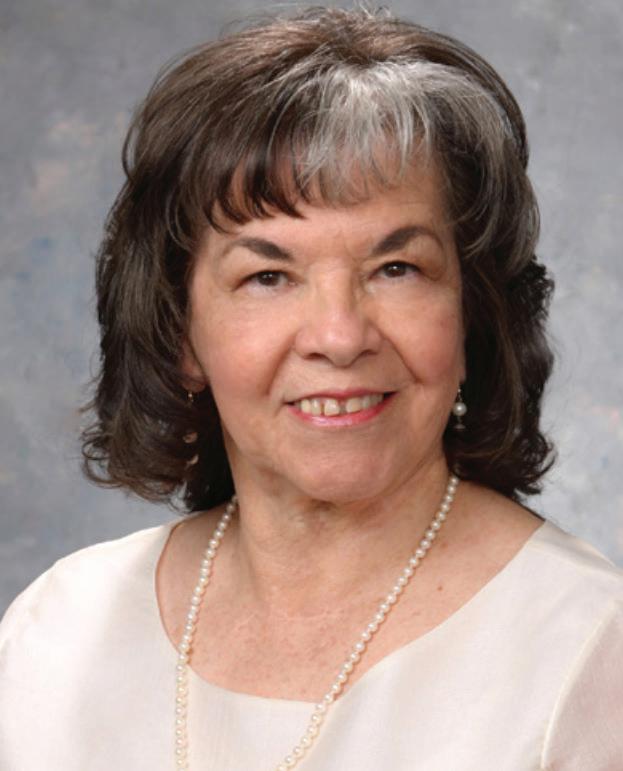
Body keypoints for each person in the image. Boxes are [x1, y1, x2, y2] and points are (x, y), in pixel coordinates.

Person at [1, 6, 622, 770]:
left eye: (396, 268)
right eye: (268, 276)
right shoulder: (57, 634)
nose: (339, 334)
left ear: (471, 316)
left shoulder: (590, 650)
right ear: (179, 333)